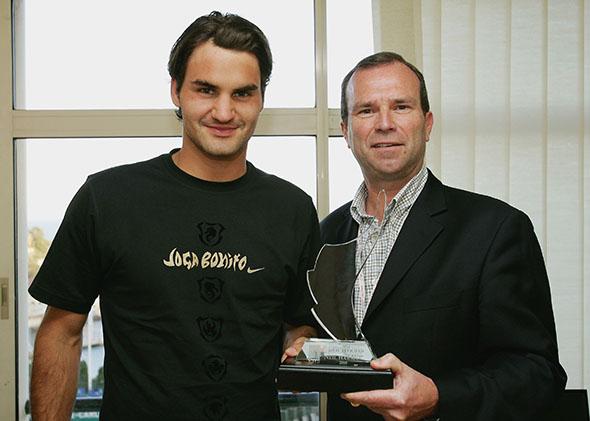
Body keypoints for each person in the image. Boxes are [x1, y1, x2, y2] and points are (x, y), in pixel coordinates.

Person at [29, 11, 319, 421]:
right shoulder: (107, 198)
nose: (223, 111)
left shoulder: (292, 209)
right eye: (206, 89)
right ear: (176, 91)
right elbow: (62, 332)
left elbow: (298, 324)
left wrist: (301, 343)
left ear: (261, 99)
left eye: (242, 93)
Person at [320, 51, 567, 420]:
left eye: (401, 107)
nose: (384, 123)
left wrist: (438, 396)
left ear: (427, 123)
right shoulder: (326, 235)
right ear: (345, 130)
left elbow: (536, 373)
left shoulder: (496, 229)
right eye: (367, 110)